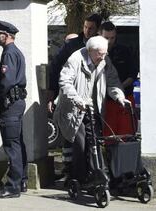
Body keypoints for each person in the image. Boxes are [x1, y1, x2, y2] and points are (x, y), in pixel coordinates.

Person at [53, 36, 130, 183]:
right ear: (90, 51)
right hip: (74, 108)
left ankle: (96, 174)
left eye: (105, 53)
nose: (103, 57)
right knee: (80, 143)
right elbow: (64, 81)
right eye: (100, 54)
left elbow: (113, 82)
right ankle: (79, 178)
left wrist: (119, 96)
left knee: (94, 140)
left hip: (92, 108)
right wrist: (77, 100)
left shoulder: (104, 61)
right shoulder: (75, 59)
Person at [48, 14, 102, 180]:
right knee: (74, 139)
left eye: (91, 28)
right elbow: (56, 68)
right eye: (85, 27)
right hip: (74, 101)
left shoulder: (100, 46)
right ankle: (74, 173)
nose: (87, 31)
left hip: (93, 100)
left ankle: (92, 171)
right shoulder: (73, 46)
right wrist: (52, 93)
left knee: (92, 139)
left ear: (98, 29)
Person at [0, 20, 27, 198]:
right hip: (16, 103)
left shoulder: (9, 53)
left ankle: (13, 186)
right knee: (17, 143)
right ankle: (21, 180)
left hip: (10, 104)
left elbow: (6, 81)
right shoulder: (14, 52)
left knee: (11, 145)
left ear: (5, 36)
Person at [99, 21, 138, 136]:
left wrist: (118, 88)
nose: (109, 41)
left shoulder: (125, 51)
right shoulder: (95, 52)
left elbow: (132, 75)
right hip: (105, 101)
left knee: (126, 134)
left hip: (125, 97)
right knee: (107, 136)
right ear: (100, 35)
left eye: (112, 38)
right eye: (106, 38)